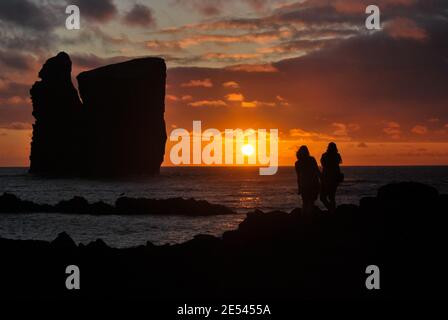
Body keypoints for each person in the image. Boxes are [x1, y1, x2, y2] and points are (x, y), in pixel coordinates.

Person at [295, 146, 321, 215]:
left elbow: (298, 177)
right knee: (311, 203)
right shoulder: (312, 159)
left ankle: (304, 218)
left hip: (304, 185)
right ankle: (309, 218)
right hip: (313, 184)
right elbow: (317, 171)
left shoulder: (297, 163)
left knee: (305, 203)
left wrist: (299, 187)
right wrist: (322, 180)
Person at [320, 142, 343, 213]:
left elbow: (323, 164)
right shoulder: (337, 156)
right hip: (335, 178)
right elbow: (338, 164)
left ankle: (331, 209)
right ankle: (332, 210)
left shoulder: (324, 155)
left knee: (323, 197)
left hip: (326, 178)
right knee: (332, 197)